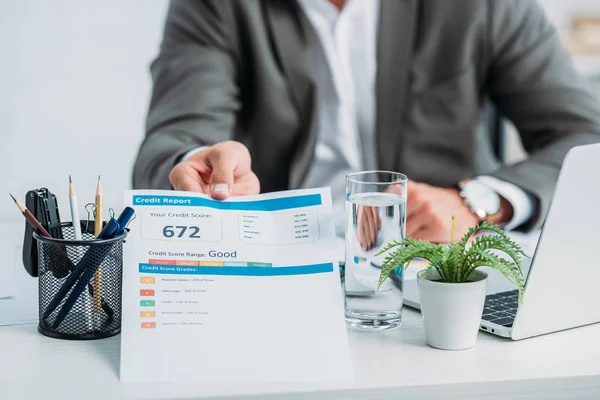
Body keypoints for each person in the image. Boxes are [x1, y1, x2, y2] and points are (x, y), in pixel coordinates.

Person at [133, 0, 600, 244]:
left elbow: (586, 134)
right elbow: (172, 140)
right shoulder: (215, 5)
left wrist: (479, 203)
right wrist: (198, 166)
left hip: (442, 266)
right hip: (284, 267)